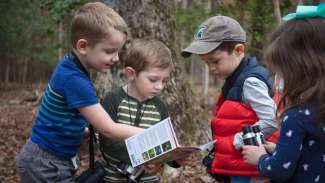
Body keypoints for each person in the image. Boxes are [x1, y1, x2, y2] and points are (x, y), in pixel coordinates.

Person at [16, 2, 143, 183]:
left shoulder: (72, 66)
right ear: (83, 46)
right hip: (45, 165)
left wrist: (80, 131)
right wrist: (146, 132)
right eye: (109, 51)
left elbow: (61, 114)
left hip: (51, 160)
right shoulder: (74, 80)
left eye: (117, 51)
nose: (116, 58)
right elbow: (108, 129)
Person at [181, 16, 279, 183]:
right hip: (238, 166)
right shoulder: (235, 79)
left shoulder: (250, 82)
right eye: (206, 63)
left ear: (238, 50)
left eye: (215, 61)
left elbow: (271, 120)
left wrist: (238, 140)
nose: (211, 69)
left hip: (250, 170)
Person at [242, 4, 325, 183]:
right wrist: (278, 150)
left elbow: (280, 171)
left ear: (301, 71)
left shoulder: (297, 116)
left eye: (283, 71)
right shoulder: (319, 110)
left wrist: (260, 158)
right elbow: (314, 152)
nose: (280, 79)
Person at [99, 39, 183, 183]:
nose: (159, 87)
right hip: (113, 178)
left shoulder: (160, 108)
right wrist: (143, 156)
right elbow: (107, 143)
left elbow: (164, 145)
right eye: (153, 79)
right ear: (131, 74)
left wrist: (172, 159)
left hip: (148, 179)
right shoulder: (113, 100)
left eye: (164, 81)